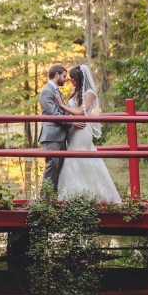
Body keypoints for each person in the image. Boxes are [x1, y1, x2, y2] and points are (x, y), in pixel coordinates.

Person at [54, 65, 122, 204]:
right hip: (73, 130)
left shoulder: (89, 92)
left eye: (73, 78)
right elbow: (73, 112)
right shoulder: (75, 91)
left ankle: (95, 195)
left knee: (83, 158)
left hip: (83, 131)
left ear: (80, 77)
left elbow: (81, 112)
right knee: (72, 159)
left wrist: (61, 105)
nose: (71, 80)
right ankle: (74, 195)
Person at [39, 65, 87, 191]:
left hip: (60, 135)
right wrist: (72, 123)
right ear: (56, 74)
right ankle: (44, 201)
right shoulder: (46, 91)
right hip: (51, 136)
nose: (66, 79)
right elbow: (55, 115)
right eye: (64, 76)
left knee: (59, 169)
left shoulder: (56, 91)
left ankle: (53, 200)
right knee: (52, 167)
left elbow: (63, 112)